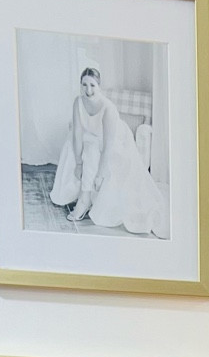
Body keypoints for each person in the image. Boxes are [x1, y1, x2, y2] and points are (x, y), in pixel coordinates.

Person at [50, 65, 170, 238]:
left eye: (92, 85)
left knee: (92, 153)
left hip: (115, 142)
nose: (88, 90)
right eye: (84, 84)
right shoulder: (78, 102)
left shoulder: (108, 108)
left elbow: (108, 145)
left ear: (99, 86)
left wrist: (100, 174)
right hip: (91, 137)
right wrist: (78, 164)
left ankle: (85, 200)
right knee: (75, 146)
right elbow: (76, 134)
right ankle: (82, 196)